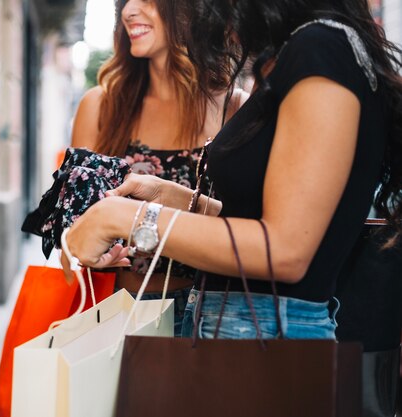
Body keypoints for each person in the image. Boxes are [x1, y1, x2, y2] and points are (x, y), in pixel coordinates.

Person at [62, 0, 402, 340]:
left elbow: (285, 251)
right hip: (249, 334)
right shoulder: (304, 52)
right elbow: (260, 222)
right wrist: (175, 198)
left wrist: (126, 218)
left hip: (262, 341)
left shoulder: (320, 50)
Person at [70, 0, 246, 335]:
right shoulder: (101, 105)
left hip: (210, 320)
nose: (129, 11)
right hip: (116, 315)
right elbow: (72, 229)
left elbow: (249, 230)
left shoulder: (235, 107)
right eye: (125, 1)